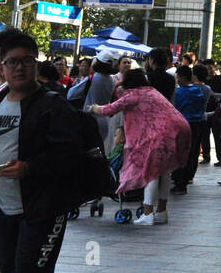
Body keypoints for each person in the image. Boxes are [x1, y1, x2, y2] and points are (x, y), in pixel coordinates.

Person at [0, 28, 83, 273]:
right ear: (1, 68)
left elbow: (70, 155)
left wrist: (30, 168)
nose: (19, 67)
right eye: (11, 62)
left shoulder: (53, 105)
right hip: (5, 210)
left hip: (42, 209)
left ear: (35, 64)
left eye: (26, 61)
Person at [89, 65, 191, 226]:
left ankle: (148, 213)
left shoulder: (133, 95)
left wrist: (94, 108)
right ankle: (161, 212)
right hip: (180, 129)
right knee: (164, 172)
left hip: (161, 134)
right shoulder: (152, 91)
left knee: (151, 172)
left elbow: (109, 109)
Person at [170, 65, 207, 194]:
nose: (177, 79)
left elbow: (175, 109)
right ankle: (185, 180)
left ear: (182, 77)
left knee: (180, 153)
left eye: (178, 77)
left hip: (182, 124)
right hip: (196, 124)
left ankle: (179, 181)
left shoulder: (179, 92)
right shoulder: (198, 90)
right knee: (191, 153)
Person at [83, 48, 119, 153]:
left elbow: (71, 94)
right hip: (105, 120)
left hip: (91, 118)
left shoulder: (93, 78)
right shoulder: (111, 79)